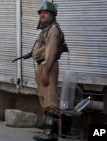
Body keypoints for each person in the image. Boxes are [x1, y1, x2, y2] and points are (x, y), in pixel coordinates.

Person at [32, 1, 65, 140]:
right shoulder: (46, 30)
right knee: (44, 98)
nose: (42, 15)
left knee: (50, 99)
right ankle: (49, 131)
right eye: (41, 13)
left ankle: (50, 134)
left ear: (52, 14)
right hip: (43, 65)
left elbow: (50, 52)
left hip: (48, 66)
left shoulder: (53, 30)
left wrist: (45, 71)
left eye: (45, 12)